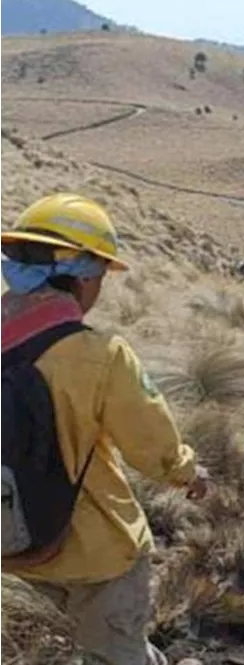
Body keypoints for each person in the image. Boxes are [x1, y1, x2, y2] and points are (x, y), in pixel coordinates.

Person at [0, 193, 209, 665]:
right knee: (116, 655)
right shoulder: (101, 355)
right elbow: (152, 447)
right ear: (82, 275)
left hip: (10, 549)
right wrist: (189, 474)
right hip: (99, 553)